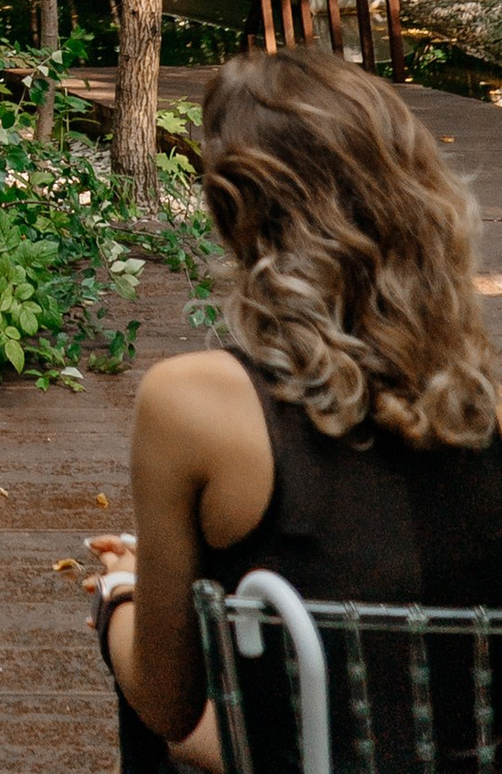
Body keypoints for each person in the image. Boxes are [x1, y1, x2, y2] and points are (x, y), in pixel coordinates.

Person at [93, 49, 502, 771]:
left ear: (234, 215)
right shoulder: (491, 402)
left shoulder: (193, 403)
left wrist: (124, 593)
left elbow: (167, 705)